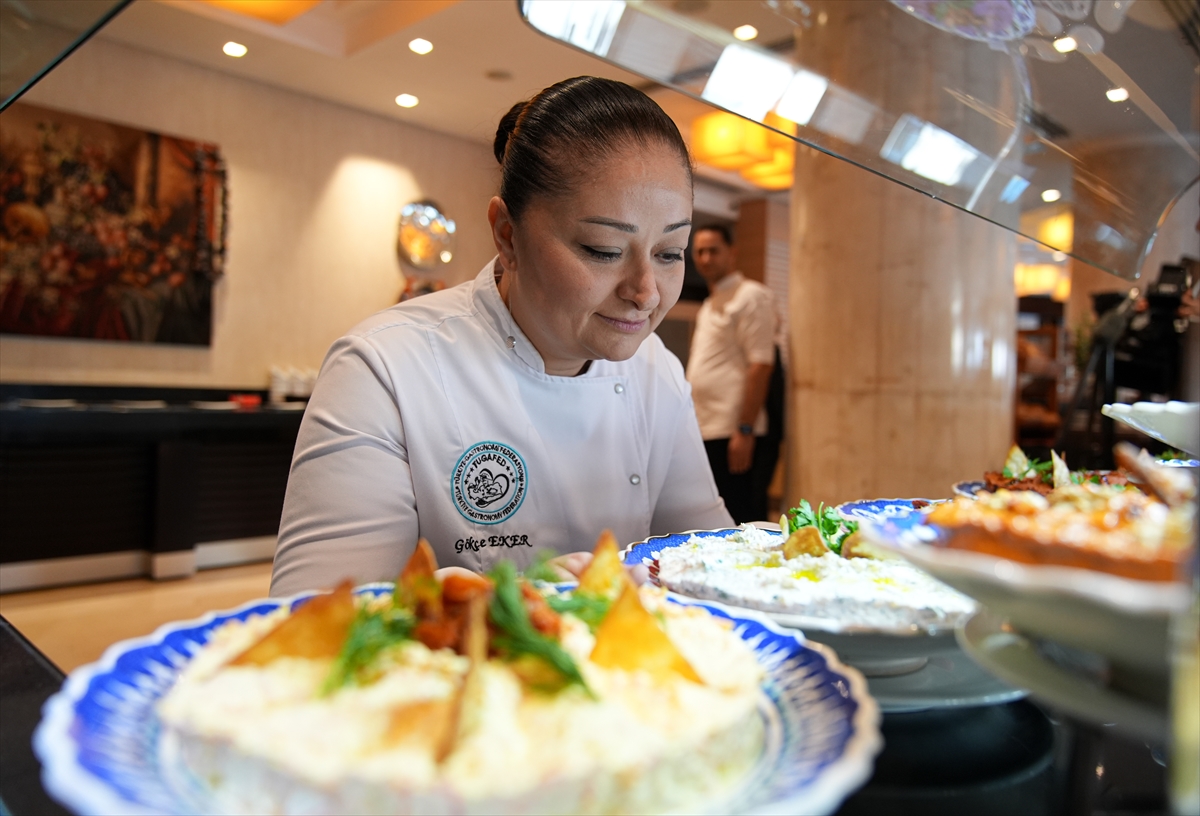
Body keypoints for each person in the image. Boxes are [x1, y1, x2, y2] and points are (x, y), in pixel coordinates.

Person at [270, 77, 732, 597]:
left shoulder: (656, 372)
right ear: (507, 234)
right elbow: (315, 619)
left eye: (671, 253)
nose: (645, 292)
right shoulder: (386, 367)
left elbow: (708, 560)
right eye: (603, 249)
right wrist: (485, 606)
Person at [686, 225, 778, 524]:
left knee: (745, 519)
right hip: (708, 428)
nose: (705, 258)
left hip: (736, 432)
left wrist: (745, 430)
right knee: (717, 521)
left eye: (713, 250)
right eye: (699, 251)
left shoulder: (751, 295)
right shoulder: (710, 302)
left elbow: (761, 364)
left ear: (732, 252)